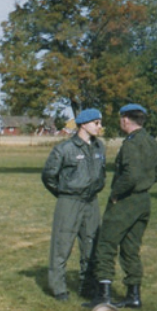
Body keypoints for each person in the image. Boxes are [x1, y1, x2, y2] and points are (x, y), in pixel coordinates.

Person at [91, 103, 157, 308]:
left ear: (125, 119)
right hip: (144, 201)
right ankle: (134, 295)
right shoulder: (152, 143)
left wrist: (116, 193)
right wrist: (145, 184)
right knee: (131, 248)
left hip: (126, 201)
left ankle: (103, 295)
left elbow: (130, 175)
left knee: (106, 244)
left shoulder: (131, 144)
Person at [41, 108, 107, 300]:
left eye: (100, 123)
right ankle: (58, 288)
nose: (100, 127)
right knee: (62, 246)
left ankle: (88, 287)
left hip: (91, 202)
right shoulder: (64, 149)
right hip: (69, 201)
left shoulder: (99, 147)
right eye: (96, 123)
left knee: (91, 245)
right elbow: (48, 176)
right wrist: (64, 192)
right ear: (83, 124)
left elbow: (101, 173)